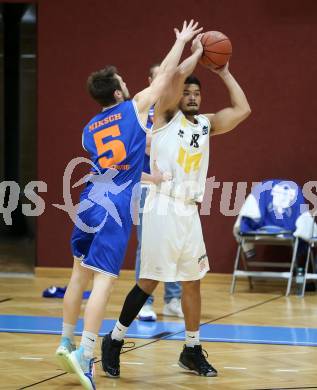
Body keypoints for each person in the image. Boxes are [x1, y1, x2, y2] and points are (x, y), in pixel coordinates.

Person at [55, 20, 203, 390]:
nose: (127, 82)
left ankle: (65, 340)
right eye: (123, 80)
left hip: (88, 200)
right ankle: (86, 357)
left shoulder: (89, 129)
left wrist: (150, 178)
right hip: (114, 209)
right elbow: (168, 73)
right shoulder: (135, 107)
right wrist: (184, 43)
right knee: (104, 282)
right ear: (120, 92)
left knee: (78, 274)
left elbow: (118, 166)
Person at [101, 33, 251, 378]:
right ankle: (115, 338)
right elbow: (173, 79)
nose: (193, 97)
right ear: (176, 97)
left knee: (193, 282)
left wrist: (224, 72)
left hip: (188, 210)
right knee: (150, 281)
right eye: (188, 92)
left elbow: (243, 110)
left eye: (198, 93)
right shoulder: (164, 118)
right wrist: (194, 51)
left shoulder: (205, 124)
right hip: (161, 206)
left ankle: (192, 349)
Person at [136, 63, 183, 322]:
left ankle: (174, 298)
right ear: (151, 80)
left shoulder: (176, 112)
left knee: (174, 243)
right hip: (148, 186)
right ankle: (145, 302)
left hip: (175, 187)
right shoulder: (143, 110)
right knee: (148, 245)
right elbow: (145, 146)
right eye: (159, 77)